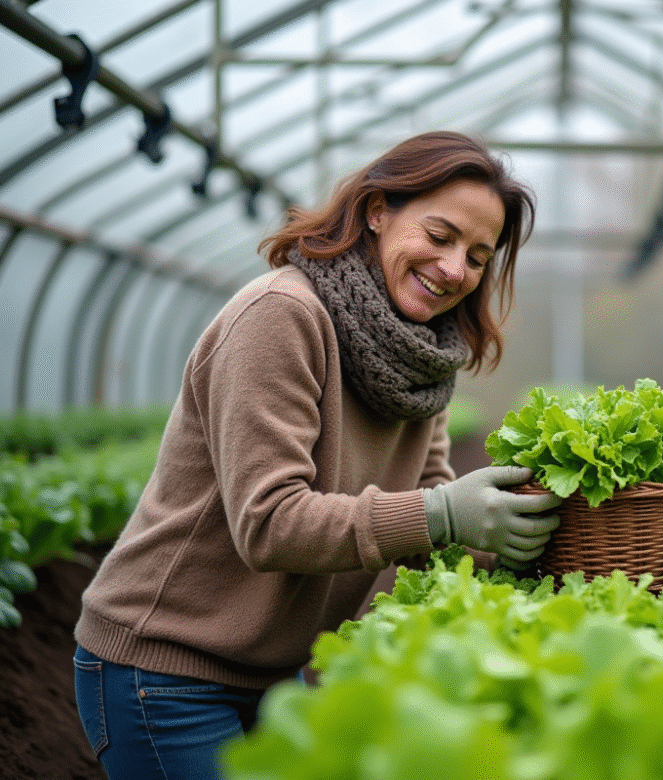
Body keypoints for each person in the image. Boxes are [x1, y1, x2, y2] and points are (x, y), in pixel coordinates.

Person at [72, 130, 562, 779]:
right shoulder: (281, 316)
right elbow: (270, 524)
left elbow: (428, 534)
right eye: (439, 236)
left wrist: (533, 532)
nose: (454, 270)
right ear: (378, 211)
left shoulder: (421, 361)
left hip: (277, 670)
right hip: (163, 670)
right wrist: (446, 513)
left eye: (477, 256)